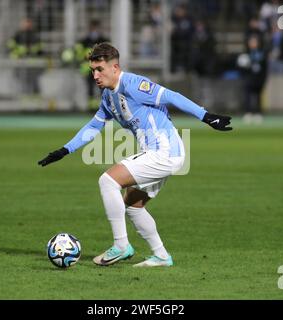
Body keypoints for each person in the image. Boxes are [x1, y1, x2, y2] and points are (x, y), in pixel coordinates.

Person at [38, 43, 232, 267]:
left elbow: (172, 96)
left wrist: (206, 116)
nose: (95, 75)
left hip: (164, 151)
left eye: (100, 69)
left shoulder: (133, 85)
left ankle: (120, 246)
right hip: (160, 153)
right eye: (93, 70)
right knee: (133, 207)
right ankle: (161, 256)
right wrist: (64, 150)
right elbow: (93, 127)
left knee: (108, 181)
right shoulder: (108, 97)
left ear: (115, 67)